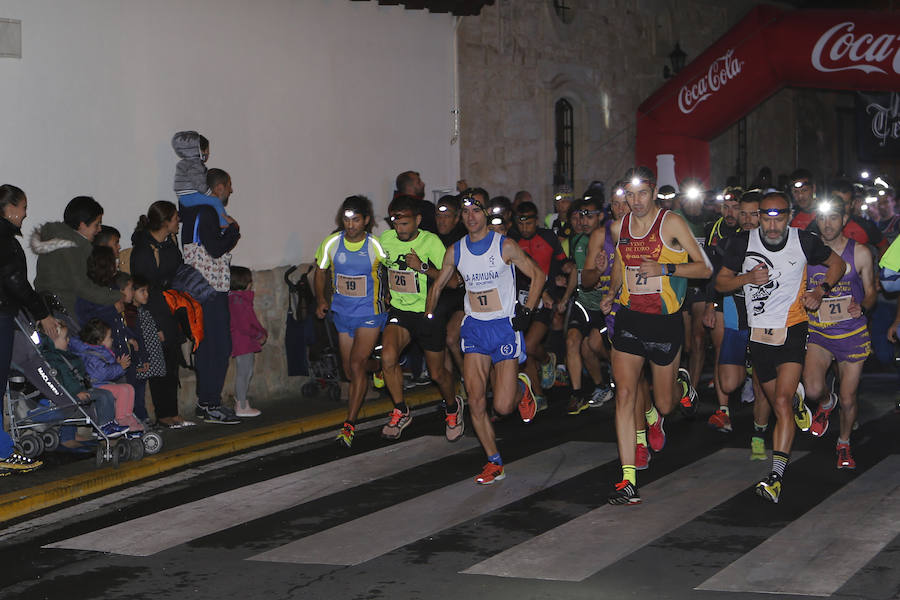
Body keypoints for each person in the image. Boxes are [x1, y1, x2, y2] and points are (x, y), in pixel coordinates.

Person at [716, 191, 845, 504]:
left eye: (779, 217)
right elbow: (720, 283)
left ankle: (775, 478)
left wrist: (820, 290)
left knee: (783, 403)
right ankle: (798, 405)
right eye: (766, 217)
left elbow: (837, 265)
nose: (772, 225)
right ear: (758, 215)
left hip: (793, 328)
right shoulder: (742, 243)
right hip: (759, 334)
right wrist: (747, 277)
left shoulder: (804, 240)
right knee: (778, 403)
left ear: (789, 215)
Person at [599, 166, 712, 505]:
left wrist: (665, 268)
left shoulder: (672, 223)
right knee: (624, 395)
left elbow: (704, 267)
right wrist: (613, 292)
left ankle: (682, 385)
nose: (635, 201)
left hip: (665, 321)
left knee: (665, 403)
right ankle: (628, 479)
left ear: (653, 193)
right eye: (629, 195)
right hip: (631, 319)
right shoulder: (619, 227)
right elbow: (621, 264)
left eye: (642, 194)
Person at [425, 189, 545, 484]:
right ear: (460, 218)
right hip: (475, 328)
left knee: (503, 407)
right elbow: (439, 285)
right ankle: (494, 462)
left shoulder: (504, 245)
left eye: (476, 211)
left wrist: (527, 311)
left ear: (486, 214)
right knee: (477, 402)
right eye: (465, 213)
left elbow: (538, 274)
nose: (471, 216)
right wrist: (429, 315)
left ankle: (522, 386)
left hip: (504, 326)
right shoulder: (456, 250)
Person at [378, 195, 461, 441]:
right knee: (388, 357)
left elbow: (454, 282)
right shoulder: (386, 240)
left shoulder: (431, 242)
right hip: (400, 312)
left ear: (418, 220)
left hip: (427, 312)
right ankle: (401, 410)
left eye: (404, 224)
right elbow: (379, 267)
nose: (399, 229)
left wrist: (422, 267)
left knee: (437, 374)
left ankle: (453, 406)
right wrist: (383, 293)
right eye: (395, 223)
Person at [802, 197, 876, 469]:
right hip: (819, 332)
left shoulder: (860, 253)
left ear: (845, 220)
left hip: (852, 334)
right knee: (811, 390)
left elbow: (871, 293)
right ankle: (825, 400)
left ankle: (843, 443)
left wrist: (863, 308)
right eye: (822, 218)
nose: (827, 223)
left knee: (848, 398)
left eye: (834, 217)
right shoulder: (808, 251)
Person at [314, 196, 388, 446]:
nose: (351, 224)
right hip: (342, 314)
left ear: (366, 221)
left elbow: (392, 270)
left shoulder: (375, 246)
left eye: (356, 219)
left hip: (369, 313)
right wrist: (320, 301)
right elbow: (320, 271)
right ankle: (377, 366)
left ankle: (349, 424)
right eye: (347, 219)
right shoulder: (331, 243)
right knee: (349, 370)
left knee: (356, 365)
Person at [180, 168, 242, 424]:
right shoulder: (205, 212)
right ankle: (209, 403)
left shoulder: (199, 211)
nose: (231, 191)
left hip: (205, 289)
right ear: (218, 188)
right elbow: (215, 249)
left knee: (213, 346)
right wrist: (234, 232)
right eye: (229, 186)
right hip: (208, 290)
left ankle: (208, 401)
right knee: (215, 347)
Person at [0, 184, 54, 473]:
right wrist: (42, 313)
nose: (25, 213)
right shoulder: (5, 240)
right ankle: (3, 451)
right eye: (22, 207)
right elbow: (15, 282)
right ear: (9, 209)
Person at [131, 201, 193, 428]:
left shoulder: (169, 245)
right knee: (160, 366)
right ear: (165, 222)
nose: (179, 222)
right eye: (176, 218)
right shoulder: (143, 250)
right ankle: (163, 415)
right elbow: (146, 291)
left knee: (172, 364)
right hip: (154, 314)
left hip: (170, 311)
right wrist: (155, 326)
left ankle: (172, 413)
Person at [514, 201, 573, 403]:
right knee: (523, 349)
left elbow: (562, 261)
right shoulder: (511, 241)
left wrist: (567, 271)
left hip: (545, 298)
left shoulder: (548, 237)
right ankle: (538, 396)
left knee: (530, 346)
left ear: (536, 221)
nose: (524, 228)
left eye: (528, 224)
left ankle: (548, 360)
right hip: (520, 300)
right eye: (521, 224)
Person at [31, 195, 123, 320]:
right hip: (64, 312)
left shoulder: (62, 240)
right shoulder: (69, 247)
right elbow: (82, 287)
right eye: (96, 225)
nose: (99, 229)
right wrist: (117, 296)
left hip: (57, 309)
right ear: (82, 225)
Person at [564, 198, 613, 414]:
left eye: (589, 215)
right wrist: (566, 296)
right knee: (573, 341)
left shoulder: (610, 238)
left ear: (601, 216)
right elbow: (578, 270)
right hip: (584, 301)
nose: (583, 221)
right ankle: (578, 394)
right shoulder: (578, 240)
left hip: (604, 302)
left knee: (592, 345)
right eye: (581, 216)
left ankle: (620, 370)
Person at [703, 187, 743, 433]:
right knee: (720, 349)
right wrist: (711, 303)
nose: (730, 212)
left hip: (749, 301)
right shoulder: (712, 229)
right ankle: (723, 411)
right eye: (726, 207)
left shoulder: (750, 231)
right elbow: (711, 270)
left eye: (735, 208)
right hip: (721, 296)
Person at [70, 318, 144, 433]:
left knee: (129, 388)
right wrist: (119, 367)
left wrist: (120, 366)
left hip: (101, 383)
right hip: (95, 385)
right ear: (100, 340)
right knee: (122, 391)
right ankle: (121, 419)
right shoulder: (91, 355)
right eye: (109, 337)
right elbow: (101, 374)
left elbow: (107, 372)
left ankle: (128, 416)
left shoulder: (98, 352)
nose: (112, 339)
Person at [229, 266, 267, 418]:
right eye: (249, 280)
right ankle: (242, 405)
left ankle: (242, 402)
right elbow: (244, 325)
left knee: (246, 372)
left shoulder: (237, 298)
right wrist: (258, 334)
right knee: (244, 373)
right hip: (243, 341)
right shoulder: (238, 301)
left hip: (243, 341)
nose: (252, 282)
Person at [172, 131, 231, 228]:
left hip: (183, 197)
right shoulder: (195, 164)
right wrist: (209, 193)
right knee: (216, 201)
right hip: (190, 196)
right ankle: (223, 224)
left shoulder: (184, 163)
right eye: (207, 150)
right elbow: (198, 182)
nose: (208, 153)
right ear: (198, 150)